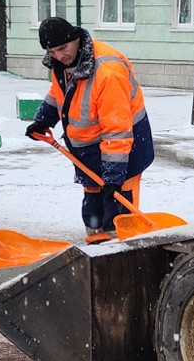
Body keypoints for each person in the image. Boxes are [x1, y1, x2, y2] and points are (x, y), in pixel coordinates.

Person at [25, 16, 154, 240]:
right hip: (89, 152)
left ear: (75, 39)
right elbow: (60, 93)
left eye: (63, 48)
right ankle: (96, 250)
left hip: (125, 151)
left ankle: (123, 257)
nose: (59, 55)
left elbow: (118, 130)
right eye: (52, 51)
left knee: (119, 217)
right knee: (93, 211)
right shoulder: (63, 63)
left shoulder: (107, 72)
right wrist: (43, 120)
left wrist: (114, 177)